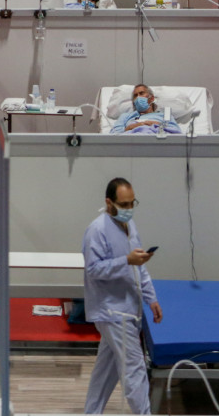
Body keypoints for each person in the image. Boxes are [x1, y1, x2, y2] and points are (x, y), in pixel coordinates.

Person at [83, 177, 162, 415]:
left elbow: (139, 268)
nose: (129, 209)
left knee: (106, 371)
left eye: (132, 203)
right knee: (134, 370)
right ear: (109, 202)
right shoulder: (97, 230)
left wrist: (151, 298)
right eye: (124, 204)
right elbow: (93, 270)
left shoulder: (130, 226)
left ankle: (91, 412)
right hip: (113, 312)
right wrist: (126, 260)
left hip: (128, 308)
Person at [110, 84, 181, 135]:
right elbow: (114, 134)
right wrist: (131, 127)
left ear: (151, 98)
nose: (138, 97)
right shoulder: (125, 116)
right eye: (135, 95)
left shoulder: (164, 115)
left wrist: (155, 124)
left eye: (141, 93)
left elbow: (176, 132)